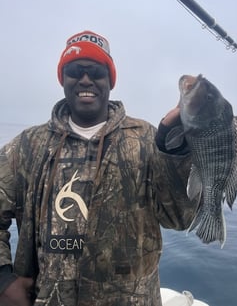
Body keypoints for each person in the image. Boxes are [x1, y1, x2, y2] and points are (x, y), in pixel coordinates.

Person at [0, 30, 199, 306]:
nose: (85, 79)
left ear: (110, 81)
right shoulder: (27, 146)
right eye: (75, 71)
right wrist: (3, 279)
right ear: (62, 79)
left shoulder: (144, 139)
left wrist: (174, 150)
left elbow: (179, 218)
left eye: (95, 71)